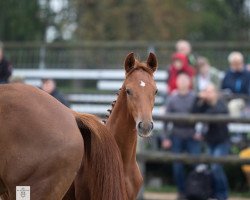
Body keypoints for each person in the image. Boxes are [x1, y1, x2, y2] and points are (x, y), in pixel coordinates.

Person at [162, 73, 201, 200]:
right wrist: (165, 138)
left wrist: (199, 132)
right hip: (177, 134)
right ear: (177, 83)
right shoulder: (172, 99)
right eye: (181, 81)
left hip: (192, 134)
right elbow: (165, 120)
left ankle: (195, 191)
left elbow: (203, 116)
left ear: (189, 83)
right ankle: (182, 192)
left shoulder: (195, 97)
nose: (183, 83)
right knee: (177, 166)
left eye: (185, 81)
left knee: (196, 165)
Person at [192, 83, 230, 200]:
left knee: (216, 167)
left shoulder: (221, 104)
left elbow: (217, 113)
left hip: (222, 141)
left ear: (215, 93)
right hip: (210, 141)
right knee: (213, 169)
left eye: (210, 91)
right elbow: (194, 113)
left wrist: (205, 109)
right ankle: (215, 194)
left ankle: (222, 194)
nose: (207, 94)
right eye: (206, 91)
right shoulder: (205, 105)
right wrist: (198, 98)